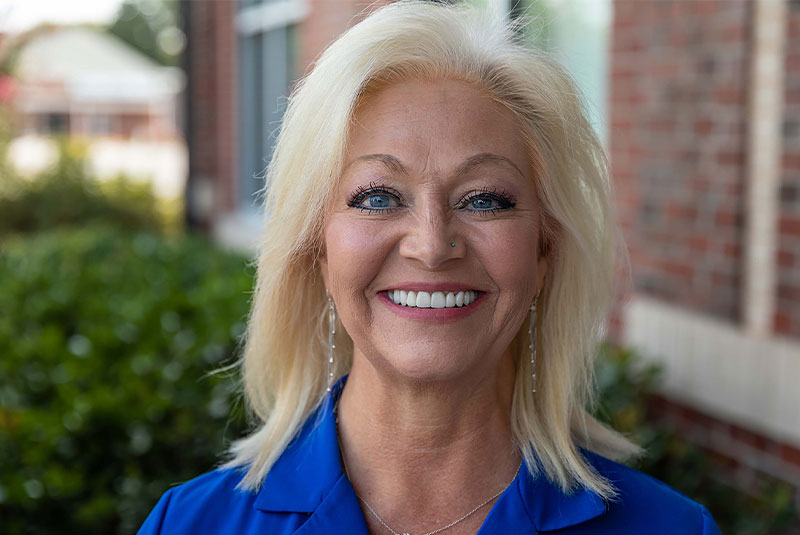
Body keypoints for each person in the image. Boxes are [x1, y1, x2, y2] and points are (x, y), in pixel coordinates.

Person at [139, 2, 720, 534]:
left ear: (545, 253)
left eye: (485, 199)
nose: (432, 245)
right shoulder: (191, 524)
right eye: (377, 196)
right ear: (317, 248)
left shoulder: (673, 528)